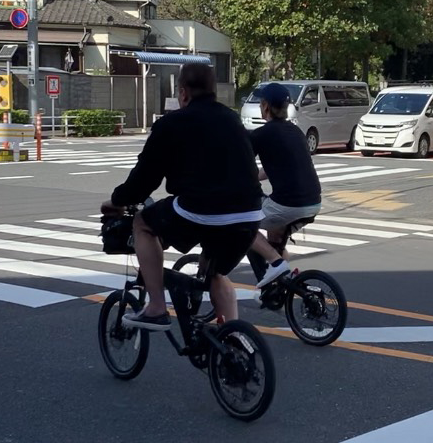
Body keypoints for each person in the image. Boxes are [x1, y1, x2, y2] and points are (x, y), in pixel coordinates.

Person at [101, 63, 263, 331]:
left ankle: (155, 307)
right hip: (249, 214)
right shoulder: (231, 118)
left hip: (201, 211)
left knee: (142, 222)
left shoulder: (172, 124)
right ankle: (233, 337)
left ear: (183, 93)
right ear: (213, 90)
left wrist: (117, 202)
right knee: (216, 272)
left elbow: (144, 180)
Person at [250, 83, 322, 288]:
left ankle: (277, 263)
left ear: (265, 106)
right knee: (274, 234)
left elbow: (240, 163)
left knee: (243, 225)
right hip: (313, 202)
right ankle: (283, 285)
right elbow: (279, 167)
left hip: (289, 204)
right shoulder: (296, 131)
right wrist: (255, 177)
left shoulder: (262, 134)